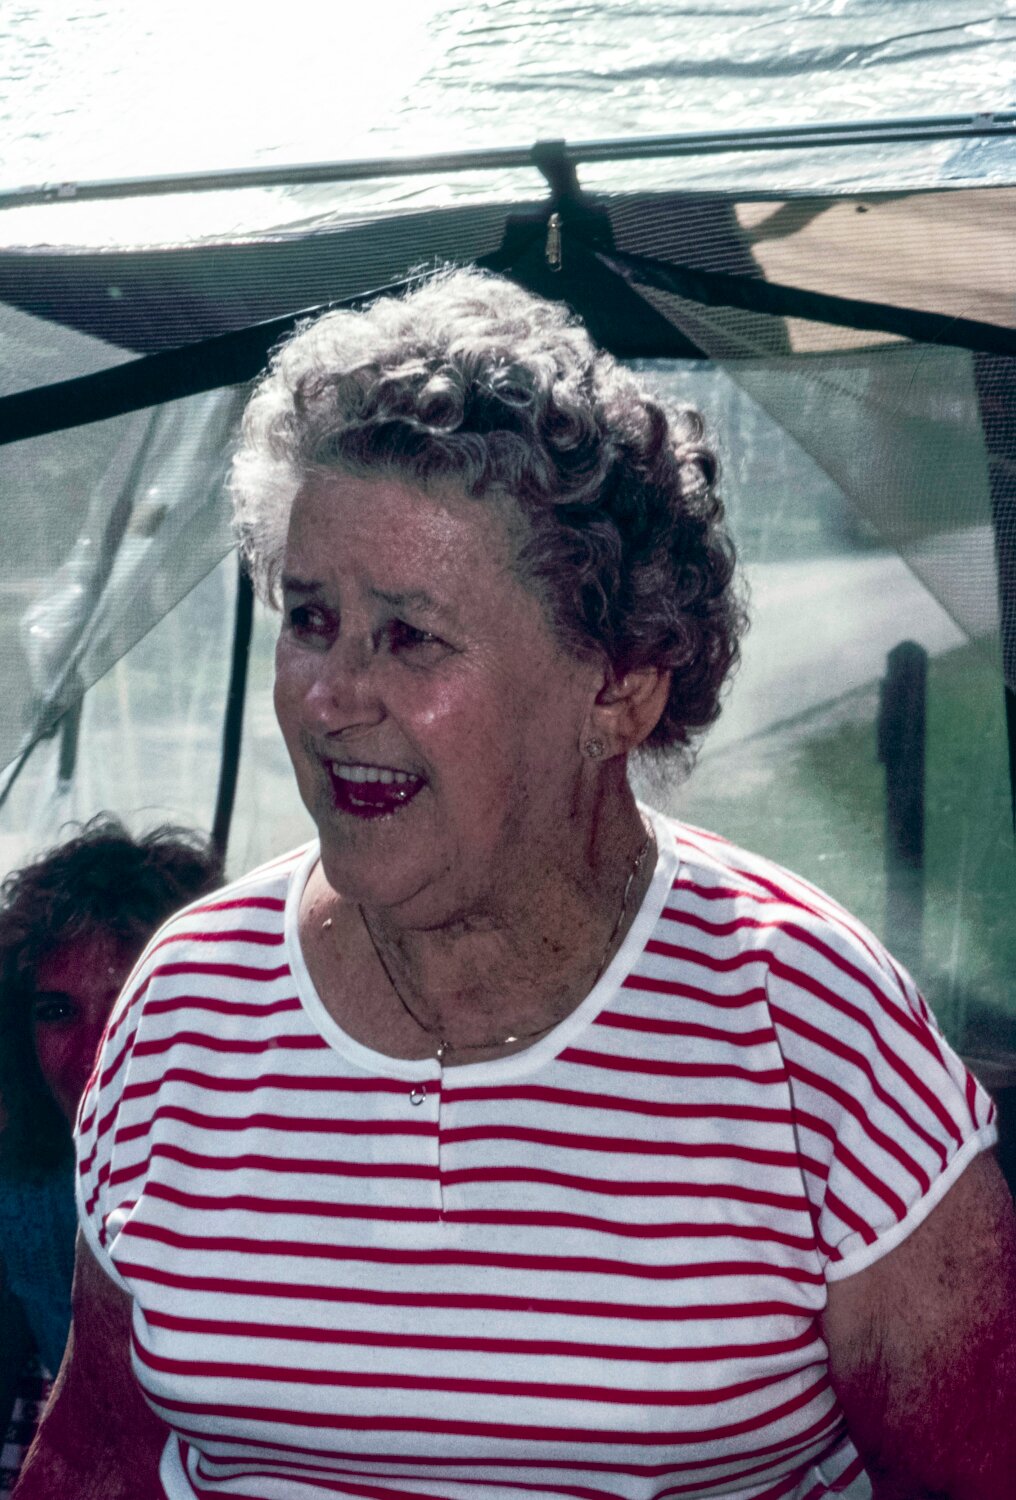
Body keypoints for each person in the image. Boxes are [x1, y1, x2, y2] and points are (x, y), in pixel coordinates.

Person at [17, 269, 1016, 1500]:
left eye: (410, 636)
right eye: (311, 618)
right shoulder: (186, 1001)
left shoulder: (807, 1025)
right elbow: (99, 1457)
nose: (330, 697)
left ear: (619, 688)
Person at [0, 818, 222, 1493]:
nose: (98, 1051)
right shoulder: (23, 1199)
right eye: (57, 1012)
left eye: (130, 1002)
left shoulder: (275, 1183)